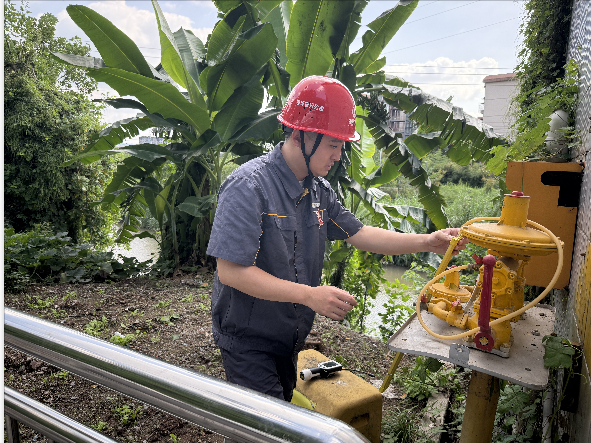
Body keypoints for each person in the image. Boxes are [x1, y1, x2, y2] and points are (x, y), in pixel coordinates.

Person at [206, 75, 467, 403]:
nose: (338, 155)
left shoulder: (318, 190)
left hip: (288, 338)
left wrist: (427, 241)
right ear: (301, 136)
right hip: (249, 341)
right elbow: (231, 272)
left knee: (278, 411)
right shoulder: (248, 187)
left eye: (341, 146)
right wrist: (310, 295)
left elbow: (360, 233)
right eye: (333, 145)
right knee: (267, 424)